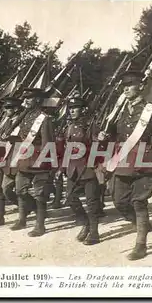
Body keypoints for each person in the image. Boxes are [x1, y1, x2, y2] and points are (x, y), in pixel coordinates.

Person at [98, 70, 152, 260]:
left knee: (139, 202)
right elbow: (116, 136)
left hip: (143, 163)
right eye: (124, 86)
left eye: (130, 85)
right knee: (119, 201)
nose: (126, 89)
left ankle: (141, 244)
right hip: (122, 162)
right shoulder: (119, 111)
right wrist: (105, 137)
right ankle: (142, 224)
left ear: (141, 87)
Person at [10, 88, 54, 237]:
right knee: (20, 190)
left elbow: (48, 142)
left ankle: (40, 225)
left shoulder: (44, 118)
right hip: (24, 159)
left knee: (39, 194)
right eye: (25, 98)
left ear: (37, 100)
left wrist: (46, 162)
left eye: (29, 98)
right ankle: (22, 219)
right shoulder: (25, 116)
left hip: (38, 161)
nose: (26, 101)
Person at [63, 97, 101, 245]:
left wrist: (92, 162)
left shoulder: (90, 125)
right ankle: (85, 223)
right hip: (73, 169)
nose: (72, 111)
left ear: (82, 109)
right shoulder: (69, 126)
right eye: (70, 108)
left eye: (75, 108)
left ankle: (94, 233)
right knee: (71, 198)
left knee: (91, 203)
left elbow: (97, 146)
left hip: (88, 168)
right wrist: (63, 167)